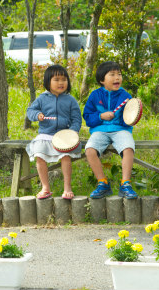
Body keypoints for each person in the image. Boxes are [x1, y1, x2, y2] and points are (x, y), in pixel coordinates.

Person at [26, 64, 82, 200]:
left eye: (64, 79)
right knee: (39, 154)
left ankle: (67, 187)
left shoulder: (71, 100)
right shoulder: (41, 98)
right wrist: (37, 115)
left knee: (65, 156)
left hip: (65, 135)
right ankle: (45, 187)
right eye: (56, 79)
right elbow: (30, 111)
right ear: (48, 82)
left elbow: (77, 119)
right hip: (45, 134)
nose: (61, 82)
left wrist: (72, 133)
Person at [83, 61, 138, 199]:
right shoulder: (94, 96)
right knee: (89, 150)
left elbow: (129, 118)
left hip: (121, 130)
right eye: (112, 75)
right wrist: (101, 116)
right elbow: (87, 117)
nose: (117, 78)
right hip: (99, 130)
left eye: (119, 74)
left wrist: (134, 111)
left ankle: (125, 184)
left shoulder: (125, 96)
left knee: (128, 149)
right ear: (102, 80)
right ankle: (102, 183)